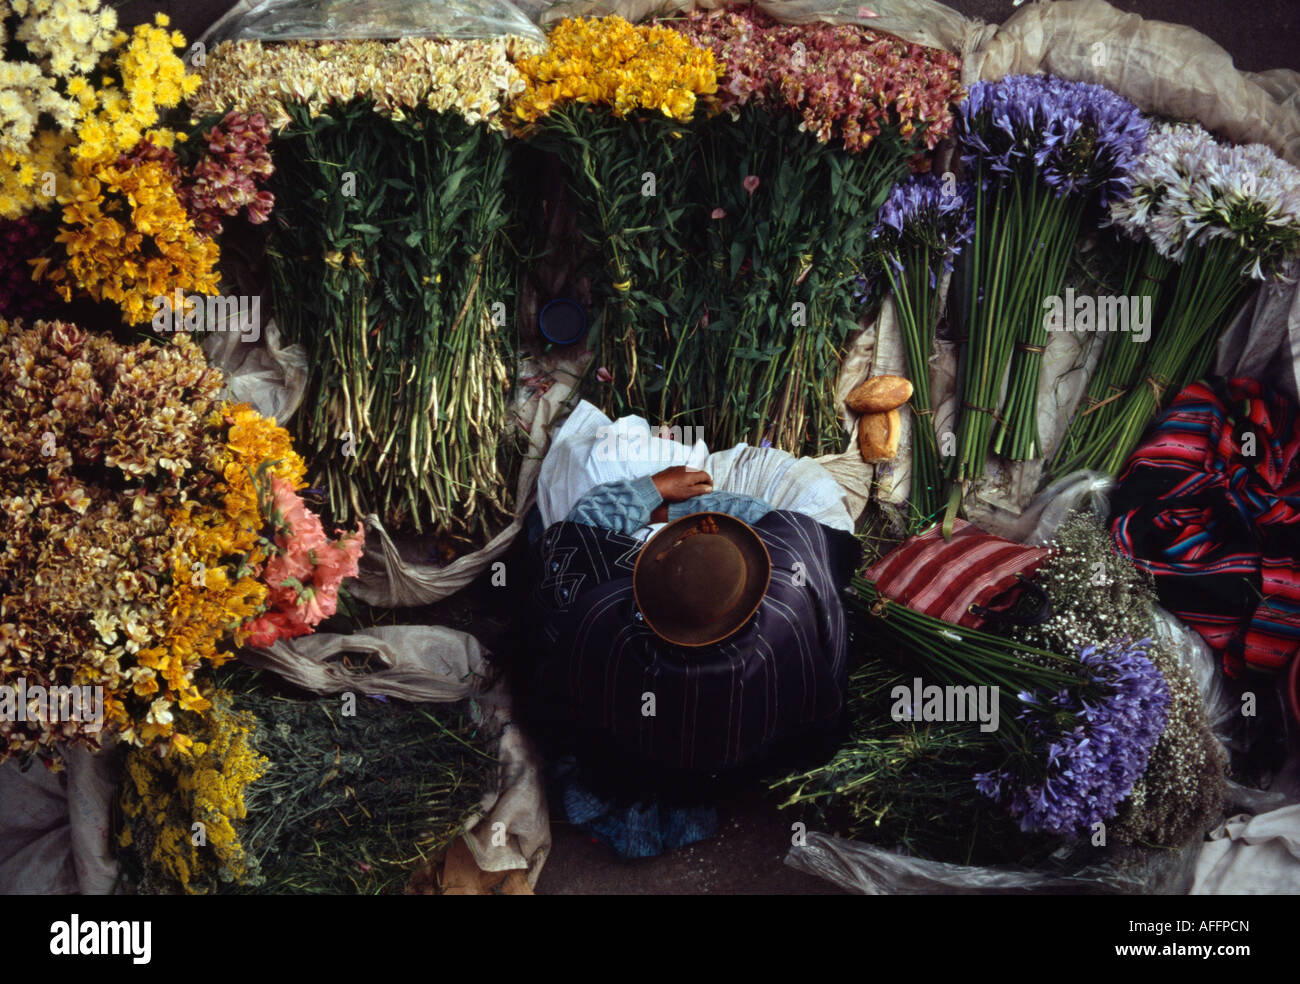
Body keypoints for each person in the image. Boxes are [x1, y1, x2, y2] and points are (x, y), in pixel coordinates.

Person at [525, 403, 860, 778]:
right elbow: (771, 517)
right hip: (764, 759)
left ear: (646, 581)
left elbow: (581, 528)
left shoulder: (602, 612)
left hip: (636, 766)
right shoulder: (790, 599)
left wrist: (655, 495)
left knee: (541, 530)